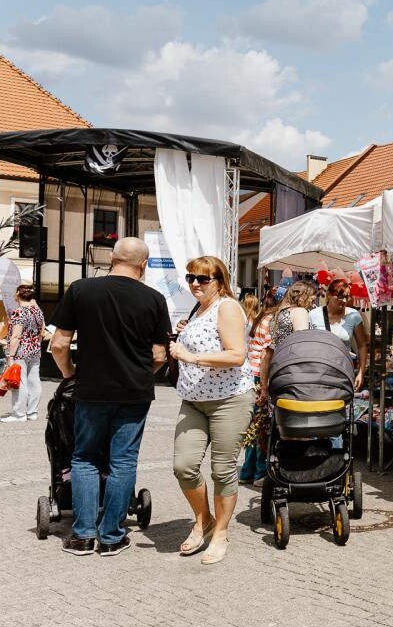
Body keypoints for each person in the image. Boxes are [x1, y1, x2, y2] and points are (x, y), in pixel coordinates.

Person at [50, 237, 170, 557]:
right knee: (123, 461)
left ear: (112, 258)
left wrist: (70, 375)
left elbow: (59, 345)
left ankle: (83, 535)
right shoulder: (155, 299)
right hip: (134, 392)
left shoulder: (81, 290)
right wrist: (142, 374)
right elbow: (160, 354)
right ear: (143, 265)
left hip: (91, 390)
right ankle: (112, 537)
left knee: (85, 457)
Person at [169, 256, 255, 565]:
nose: (194, 283)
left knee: (222, 469)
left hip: (229, 399)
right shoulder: (199, 307)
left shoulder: (228, 306)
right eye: (191, 277)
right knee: (184, 465)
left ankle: (220, 532)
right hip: (193, 399)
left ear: (219, 282)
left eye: (202, 279)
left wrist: (190, 356)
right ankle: (203, 518)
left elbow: (236, 355)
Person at [239, 288, 278, 484]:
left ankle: (248, 472)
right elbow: (266, 355)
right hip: (259, 376)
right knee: (261, 427)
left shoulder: (261, 318)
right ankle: (259, 472)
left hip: (251, 374)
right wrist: (265, 385)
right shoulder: (271, 322)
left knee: (254, 425)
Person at [257, 281, 314, 403]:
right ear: (303, 296)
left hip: (278, 374)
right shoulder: (300, 312)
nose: (314, 298)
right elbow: (302, 344)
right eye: (312, 295)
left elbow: (267, 354)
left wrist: (264, 386)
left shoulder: (278, 314)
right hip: (295, 376)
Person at [309, 277, 368, 390]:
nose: (345, 301)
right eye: (340, 296)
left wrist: (361, 372)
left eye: (347, 297)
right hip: (318, 370)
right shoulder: (313, 315)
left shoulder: (354, 316)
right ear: (329, 295)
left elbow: (362, 345)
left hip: (343, 371)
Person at [3, 284, 46, 422]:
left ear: (18, 294)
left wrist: (10, 355)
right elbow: (42, 329)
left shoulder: (19, 312)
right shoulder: (37, 311)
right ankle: (31, 412)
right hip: (34, 350)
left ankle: (18, 414)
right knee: (34, 381)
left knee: (20, 382)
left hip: (21, 351)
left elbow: (16, 336)